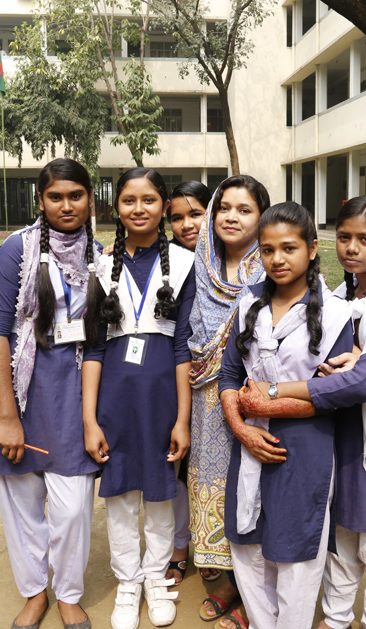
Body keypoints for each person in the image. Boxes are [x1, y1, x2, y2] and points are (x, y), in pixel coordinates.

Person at [239, 196, 366, 629]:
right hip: (345, 423)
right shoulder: (345, 289)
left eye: (365, 239)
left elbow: (365, 381)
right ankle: (334, 618)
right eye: (345, 237)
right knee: (341, 533)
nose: (351, 248)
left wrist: (274, 389)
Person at [0, 158, 102, 629]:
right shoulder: (16, 250)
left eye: (76, 195)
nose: (66, 205)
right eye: (55, 197)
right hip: (20, 390)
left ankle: (68, 593)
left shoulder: (102, 254)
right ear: (41, 200)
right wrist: (7, 416)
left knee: (72, 508)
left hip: (73, 390)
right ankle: (35, 593)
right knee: (22, 500)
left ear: (91, 199)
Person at [218, 202, 353, 629]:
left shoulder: (334, 316)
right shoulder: (248, 304)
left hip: (304, 448)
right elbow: (228, 375)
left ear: (312, 249)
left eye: (289, 248)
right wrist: (241, 427)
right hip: (250, 445)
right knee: (249, 547)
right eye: (268, 249)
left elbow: (332, 394)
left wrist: (264, 404)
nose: (278, 259)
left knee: (296, 552)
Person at [83, 167, 196, 629]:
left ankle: (155, 576)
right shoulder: (101, 267)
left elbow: (183, 346)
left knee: (160, 494)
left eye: (149, 199)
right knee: (120, 495)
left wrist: (182, 419)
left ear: (164, 206)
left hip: (162, 403)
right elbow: (92, 349)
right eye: (128, 200)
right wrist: (90, 419)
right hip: (114, 401)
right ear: (117, 208)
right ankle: (127, 583)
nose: (138, 208)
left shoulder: (185, 266)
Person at [186, 175, 269, 625]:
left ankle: (255, 597)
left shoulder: (276, 264)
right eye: (224, 208)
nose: (231, 217)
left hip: (258, 403)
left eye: (244, 209)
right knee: (212, 488)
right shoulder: (199, 267)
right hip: (206, 402)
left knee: (254, 491)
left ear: (262, 218)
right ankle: (225, 586)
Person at [155, 180, 212, 586]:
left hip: (218, 386)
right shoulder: (167, 261)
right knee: (176, 467)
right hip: (172, 380)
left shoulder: (230, 262)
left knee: (208, 469)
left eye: (196, 213)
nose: (187, 224)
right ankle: (179, 548)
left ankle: (211, 546)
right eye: (177, 217)